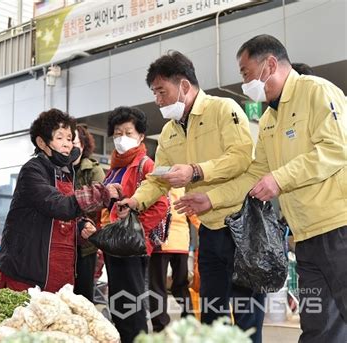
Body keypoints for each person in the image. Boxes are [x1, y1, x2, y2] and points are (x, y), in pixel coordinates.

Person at [175, 34, 347, 343]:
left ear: (269, 64)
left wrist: (279, 179)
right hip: (304, 237)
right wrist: (211, 199)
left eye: (244, 72)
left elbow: (335, 149)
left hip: (339, 227)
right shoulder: (269, 119)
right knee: (319, 328)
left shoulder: (317, 91)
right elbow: (255, 174)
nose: (243, 82)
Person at [117, 51, 265, 342]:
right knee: (211, 312)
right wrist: (135, 201)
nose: (158, 100)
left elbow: (241, 157)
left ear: (184, 86)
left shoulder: (224, 109)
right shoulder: (170, 132)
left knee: (246, 313)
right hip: (209, 230)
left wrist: (196, 171)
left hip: (241, 225)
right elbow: (157, 177)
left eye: (162, 91)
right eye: (155, 93)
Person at [0, 108, 114, 293]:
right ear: (42, 142)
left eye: (69, 138)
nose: (67, 144)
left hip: (60, 269)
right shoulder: (33, 170)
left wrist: (80, 225)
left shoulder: (66, 173)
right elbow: (57, 206)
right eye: (60, 138)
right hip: (29, 271)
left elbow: (63, 218)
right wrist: (101, 193)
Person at [103, 106, 168, 343]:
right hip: (113, 245)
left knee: (132, 305)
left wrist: (135, 226)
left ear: (141, 136)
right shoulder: (114, 168)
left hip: (132, 245)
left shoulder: (146, 165)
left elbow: (161, 205)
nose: (122, 138)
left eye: (128, 133)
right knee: (118, 303)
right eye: (117, 133)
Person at [148, 187, 192, 332]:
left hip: (162, 241)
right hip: (177, 241)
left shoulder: (155, 185)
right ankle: (188, 319)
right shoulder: (184, 186)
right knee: (181, 284)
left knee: (157, 285)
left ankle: (160, 325)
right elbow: (195, 215)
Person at [72, 124, 105, 302]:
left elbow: (100, 202)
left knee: (83, 297)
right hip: (61, 244)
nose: (69, 146)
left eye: (73, 142)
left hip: (86, 244)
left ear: (83, 145)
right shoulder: (58, 170)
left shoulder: (93, 170)